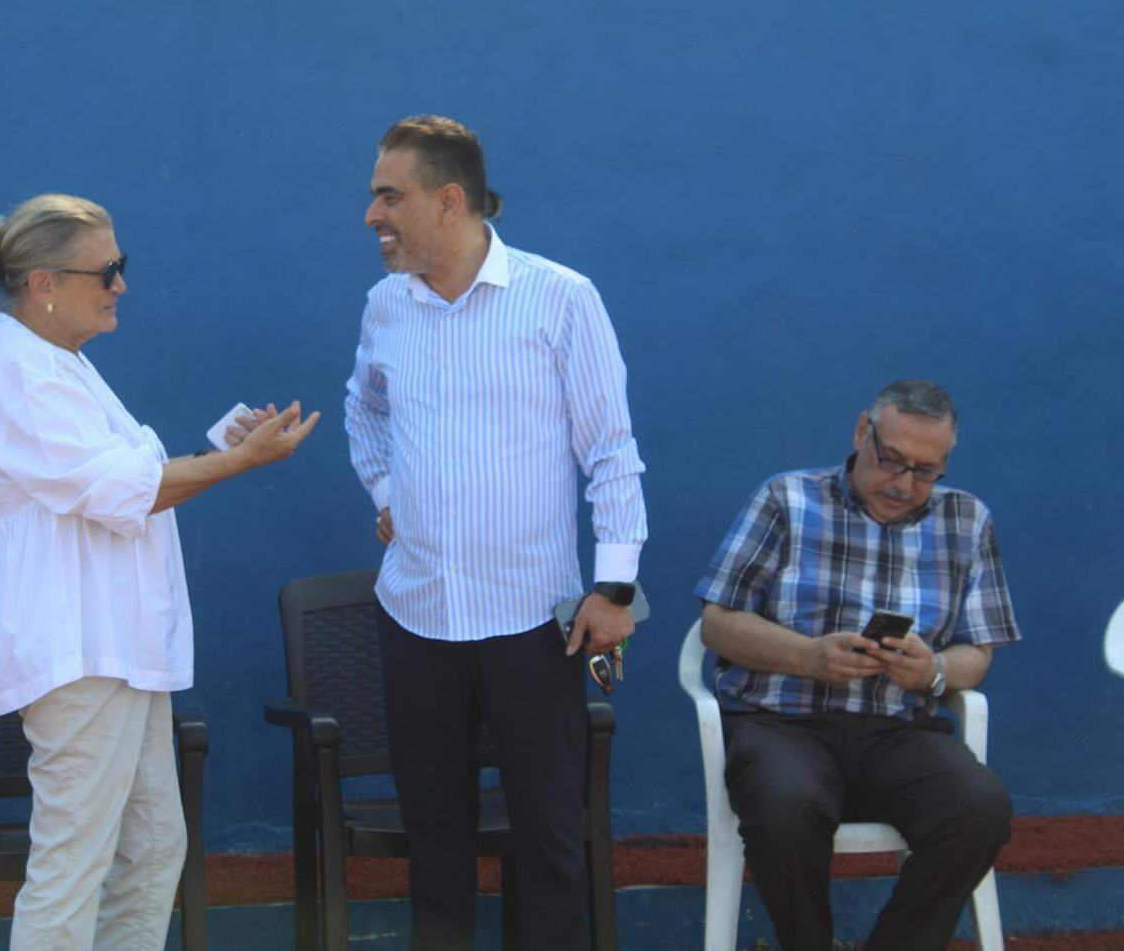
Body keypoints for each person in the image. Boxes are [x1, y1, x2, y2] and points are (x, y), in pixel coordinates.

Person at [0, 193, 318, 950]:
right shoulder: (22, 376)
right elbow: (123, 490)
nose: (122, 284)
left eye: (122, 265)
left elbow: (121, 476)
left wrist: (220, 450)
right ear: (44, 283)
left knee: (149, 848)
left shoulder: (58, 365)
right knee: (74, 859)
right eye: (107, 270)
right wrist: (240, 461)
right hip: (76, 650)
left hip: (111, 646)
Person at [344, 116, 648, 950]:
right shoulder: (384, 305)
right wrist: (389, 492)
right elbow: (363, 411)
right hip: (416, 616)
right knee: (433, 840)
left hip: (532, 623)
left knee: (548, 838)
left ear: (448, 201)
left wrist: (613, 588)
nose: (371, 215)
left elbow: (610, 450)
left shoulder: (561, 299)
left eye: (388, 196)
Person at [694, 379, 1020, 951]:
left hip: (897, 732)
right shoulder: (786, 499)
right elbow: (718, 624)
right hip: (782, 724)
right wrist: (807, 656)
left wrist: (932, 671)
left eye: (925, 471)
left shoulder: (967, 520)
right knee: (784, 807)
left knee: (980, 808)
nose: (903, 484)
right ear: (861, 432)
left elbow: (978, 654)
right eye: (891, 460)